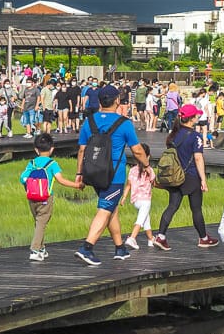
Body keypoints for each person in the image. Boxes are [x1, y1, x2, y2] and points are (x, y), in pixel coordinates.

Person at [74, 85, 150, 266]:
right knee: (105, 209)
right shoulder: (124, 123)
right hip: (113, 175)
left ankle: (120, 248)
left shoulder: (89, 121)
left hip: (93, 172)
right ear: (117, 101)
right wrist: (147, 166)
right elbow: (138, 150)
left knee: (112, 209)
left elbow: (82, 150)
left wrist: (79, 173)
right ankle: (87, 247)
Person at [153, 103, 219, 251]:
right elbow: (198, 159)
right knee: (196, 209)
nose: (198, 116)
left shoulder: (173, 135)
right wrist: (203, 179)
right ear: (191, 119)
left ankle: (161, 236)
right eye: (196, 115)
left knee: (172, 206)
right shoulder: (195, 137)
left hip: (174, 176)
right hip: (191, 176)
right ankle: (203, 238)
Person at [20, 133, 82, 261]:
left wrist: (31, 188)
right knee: (42, 222)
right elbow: (61, 180)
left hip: (32, 198)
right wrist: (77, 185)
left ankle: (41, 248)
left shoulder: (32, 163)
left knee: (39, 222)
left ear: (36, 149)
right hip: (46, 198)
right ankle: (35, 250)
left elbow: (22, 178)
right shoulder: (52, 164)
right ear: (52, 149)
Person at [120, 142, 158, 250]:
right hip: (145, 200)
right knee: (140, 220)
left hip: (136, 201)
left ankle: (151, 239)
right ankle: (132, 238)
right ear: (148, 156)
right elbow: (153, 183)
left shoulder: (132, 170)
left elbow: (128, 185)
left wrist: (123, 198)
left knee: (146, 219)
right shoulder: (149, 170)